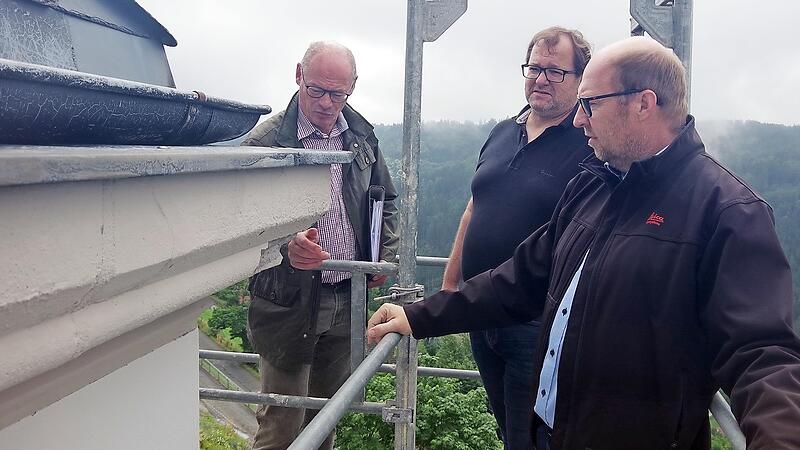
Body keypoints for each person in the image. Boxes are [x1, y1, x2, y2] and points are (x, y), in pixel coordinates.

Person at [368, 36, 800, 449]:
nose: (578, 119)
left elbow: (762, 354)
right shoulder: (592, 186)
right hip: (549, 433)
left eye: (590, 104)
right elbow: (519, 279)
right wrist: (419, 317)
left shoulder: (726, 211)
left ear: (643, 104)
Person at [440, 26, 592, 450]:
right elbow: (474, 208)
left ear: (581, 79)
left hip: (536, 321)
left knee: (533, 438)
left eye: (556, 72)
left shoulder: (588, 141)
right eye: (534, 68)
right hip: (480, 312)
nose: (541, 79)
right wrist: (451, 287)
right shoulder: (503, 132)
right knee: (507, 428)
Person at [243, 41, 398, 450]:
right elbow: (239, 222)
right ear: (298, 76)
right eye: (317, 90)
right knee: (281, 423)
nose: (328, 103)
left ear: (353, 87)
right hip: (287, 303)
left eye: (338, 93)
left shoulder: (361, 136)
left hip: (348, 297)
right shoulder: (266, 142)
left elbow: (386, 199)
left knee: (327, 418)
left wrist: (384, 254)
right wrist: (283, 246)